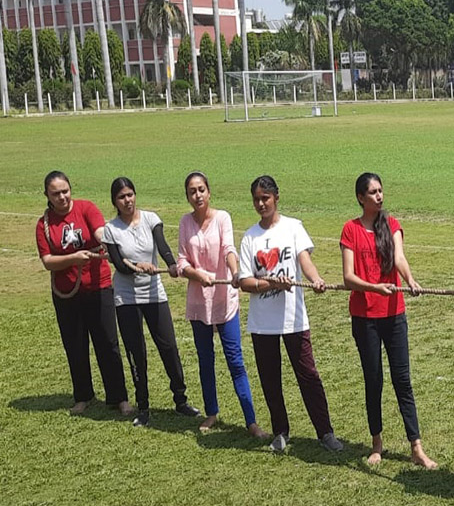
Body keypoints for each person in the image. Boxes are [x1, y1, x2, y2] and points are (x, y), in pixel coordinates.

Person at [238, 175, 343, 454]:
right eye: (257, 199)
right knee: (270, 379)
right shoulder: (250, 237)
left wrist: (316, 278)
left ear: (276, 197)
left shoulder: (293, 227)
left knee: (308, 375)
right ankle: (281, 432)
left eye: (265, 198)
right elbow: (245, 282)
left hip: (293, 319)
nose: (261, 203)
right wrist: (270, 283)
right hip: (263, 324)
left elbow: (303, 259)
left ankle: (326, 432)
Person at [339, 172, 437, 469]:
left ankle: (416, 446)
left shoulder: (391, 224)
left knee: (402, 379)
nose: (379, 196)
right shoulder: (350, 230)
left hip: (394, 314)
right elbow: (348, 277)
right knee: (374, 380)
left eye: (381, 191)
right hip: (365, 317)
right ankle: (377, 443)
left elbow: (399, 259)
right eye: (372, 192)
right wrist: (374, 288)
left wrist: (411, 279)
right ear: (360, 197)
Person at [102, 177, 200, 427]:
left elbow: (162, 245)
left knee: (168, 347)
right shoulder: (110, 229)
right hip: (127, 299)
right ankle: (143, 406)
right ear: (115, 201)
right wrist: (138, 267)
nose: (128, 200)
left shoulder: (150, 219)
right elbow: (118, 263)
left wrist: (171, 264)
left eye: (130, 195)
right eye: (122, 197)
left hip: (154, 294)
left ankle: (181, 400)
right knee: (137, 353)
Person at [176, 171, 267, 438]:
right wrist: (196, 274)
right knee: (205, 360)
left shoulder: (222, 218)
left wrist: (236, 273)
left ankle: (251, 421)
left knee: (235, 361)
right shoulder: (184, 222)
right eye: (192, 191)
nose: (197, 195)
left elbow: (229, 248)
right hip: (198, 302)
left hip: (224, 299)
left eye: (201, 189)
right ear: (187, 196)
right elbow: (182, 261)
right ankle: (211, 412)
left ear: (209, 191)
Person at [35, 171, 133, 417]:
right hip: (67, 294)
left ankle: (118, 397)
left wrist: (108, 246)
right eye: (56, 193)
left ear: (71, 189)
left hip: (98, 288)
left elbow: (100, 233)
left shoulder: (86, 208)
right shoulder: (43, 224)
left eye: (65, 191)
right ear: (47, 195)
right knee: (75, 346)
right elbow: (48, 261)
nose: (62, 197)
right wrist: (73, 259)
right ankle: (83, 396)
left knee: (107, 344)